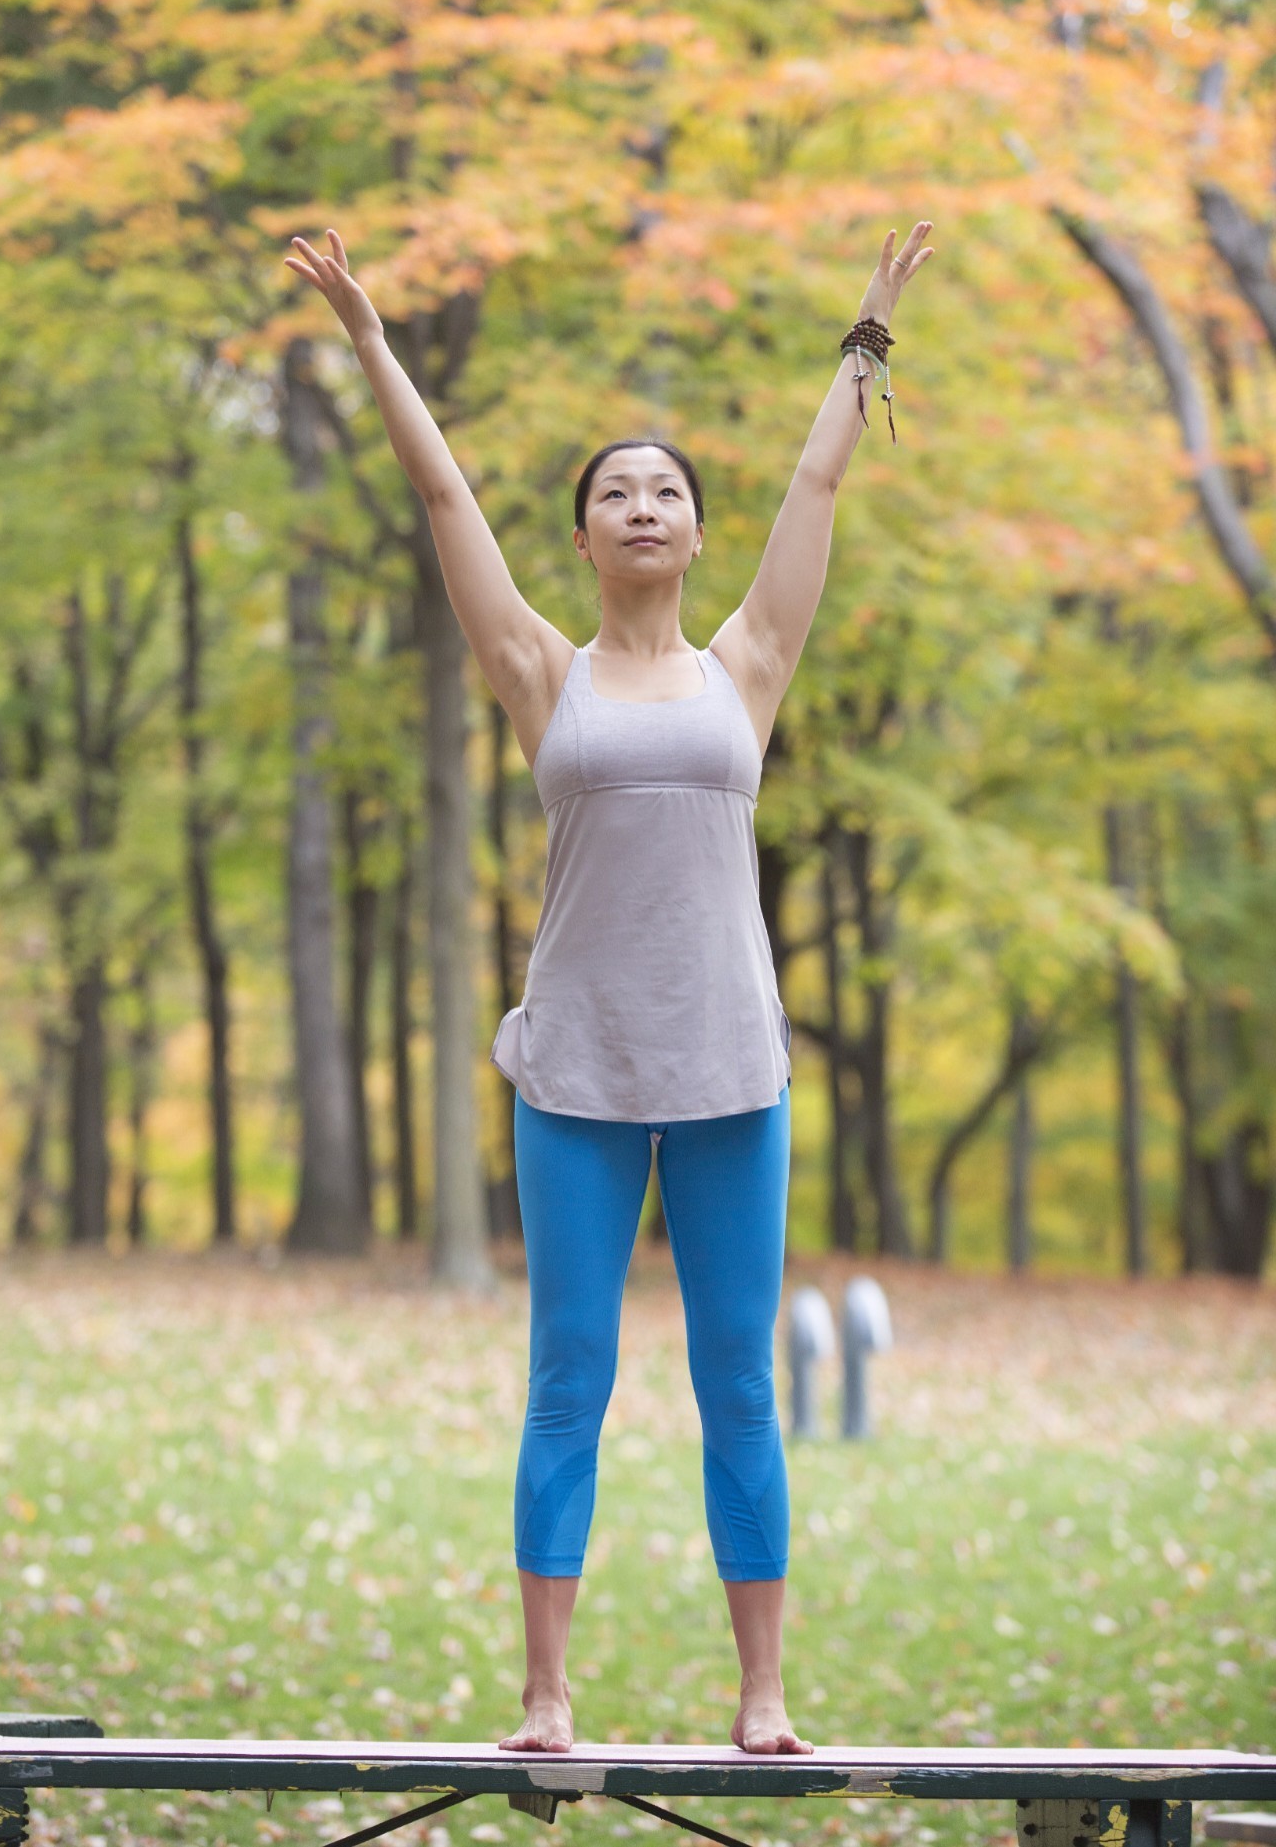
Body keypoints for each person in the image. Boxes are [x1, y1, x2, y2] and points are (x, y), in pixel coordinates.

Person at [284, 219, 936, 1756]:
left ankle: (764, 1691)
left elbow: (821, 485)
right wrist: (376, 344)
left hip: (728, 1071)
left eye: (666, 492)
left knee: (739, 1386)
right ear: (582, 537)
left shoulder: (749, 663)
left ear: (695, 534)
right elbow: (441, 494)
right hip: (575, 1072)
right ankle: (546, 1690)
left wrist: (867, 343)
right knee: (567, 1374)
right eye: (613, 493)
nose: (643, 505)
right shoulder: (535, 668)